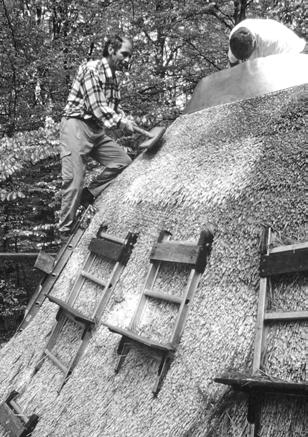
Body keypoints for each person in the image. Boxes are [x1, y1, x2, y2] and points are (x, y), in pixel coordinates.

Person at [58, 35, 135, 237]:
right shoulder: (91, 69)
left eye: (129, 56)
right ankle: (65, 231)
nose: (127, 60)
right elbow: (97, 106)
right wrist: (120, 122)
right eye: (124, 54)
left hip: (96, 130)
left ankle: (89, 194)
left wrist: (127, 120)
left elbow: (114, 109)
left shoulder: (114, 79)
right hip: (76, 126)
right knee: (74, 179)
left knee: (123, 161)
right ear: (111, 50)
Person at [228, 18, 306, 67]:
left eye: (247, 57)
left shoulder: (270, 43)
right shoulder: (235, 37)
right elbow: (233, 63)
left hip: (296, 54)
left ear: (254, 42)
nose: (245, 60)